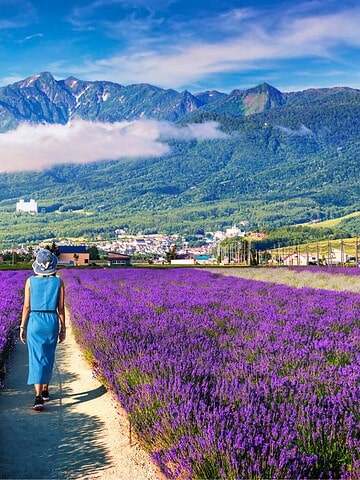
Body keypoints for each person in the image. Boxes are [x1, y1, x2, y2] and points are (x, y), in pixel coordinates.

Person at [20, 248, 66, 411]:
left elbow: (26, 306)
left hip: (35, 321)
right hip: (51, 321)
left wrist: (22, 326)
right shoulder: (58, 282)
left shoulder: (30, 281)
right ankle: (46, 390)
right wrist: (63, 329)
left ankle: (38, 397)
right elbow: (61, 308)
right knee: (48, 356)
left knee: (36, 358)